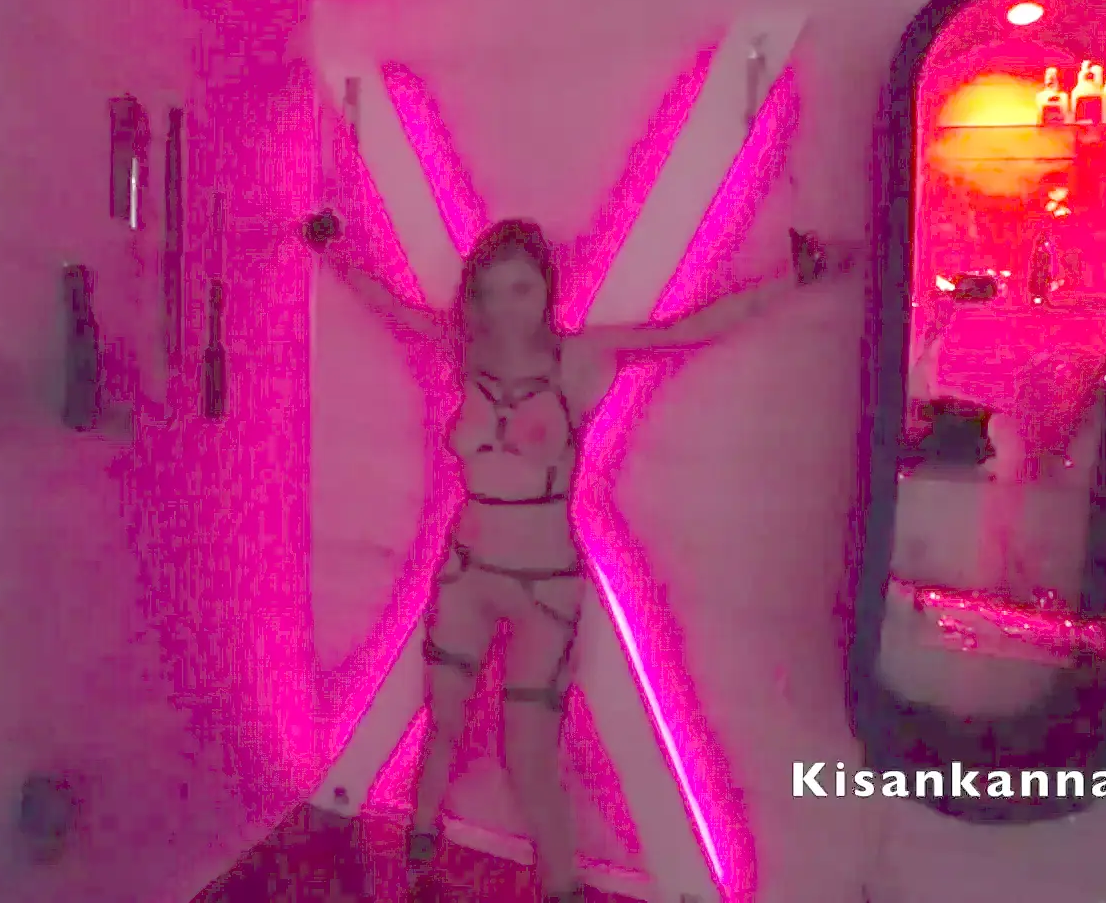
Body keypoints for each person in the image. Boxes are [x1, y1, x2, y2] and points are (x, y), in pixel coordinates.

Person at [311, 216, 851, 902]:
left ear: (546, 289)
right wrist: (333, 251)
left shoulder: (580, 359)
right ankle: (417, 855)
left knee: (528, 754)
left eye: (521, 288)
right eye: (491, 291)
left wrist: (792, 279)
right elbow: (390, 307)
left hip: (544, 585)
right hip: (466, 569)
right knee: (442, 722)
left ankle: (561, 887)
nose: (506, 307)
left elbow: (689, 330)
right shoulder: (464, 351)